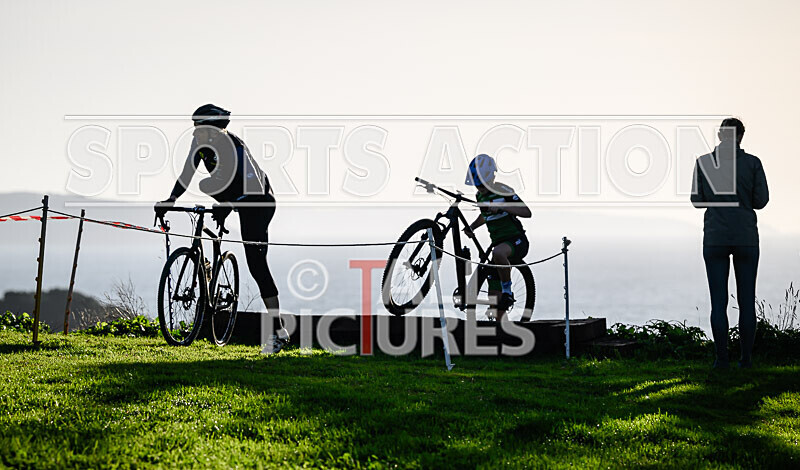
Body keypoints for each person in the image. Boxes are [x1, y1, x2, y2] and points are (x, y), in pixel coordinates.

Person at [155, 104, 289, 353]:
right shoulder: (200, 145)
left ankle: (278, 330)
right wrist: (170, 200)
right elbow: (187, 174)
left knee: (257, 266)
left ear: (215, 130)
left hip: (258, 202)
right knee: (206, 184)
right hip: (234, 196)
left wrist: (228, 205)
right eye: (194, 128)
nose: (194, 133)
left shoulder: (234, 149)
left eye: (200, 128)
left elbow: (256, 192)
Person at [691, 117, 769, 369]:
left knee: (718, 302)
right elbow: (761, 201)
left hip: (715, 238)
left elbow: (697, 200)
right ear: (740, 136)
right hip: (746, 237)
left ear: (720, 136)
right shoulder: (753, 163)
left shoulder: (703, 162)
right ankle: (745, 360)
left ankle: (721, 359)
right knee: (747, 301)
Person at [463, 154, 532, 320]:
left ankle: (508, 290)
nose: (480, 190)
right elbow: (484, 216)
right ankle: (502, 330)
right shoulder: (479, 196)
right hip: (498, 245)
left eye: (482, 186)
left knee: (498, 254)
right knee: (495, 300)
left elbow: (526, 212)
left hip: (516, 241)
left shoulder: (503, 191)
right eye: (477, 186)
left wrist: (502, 206)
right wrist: (472, 227)